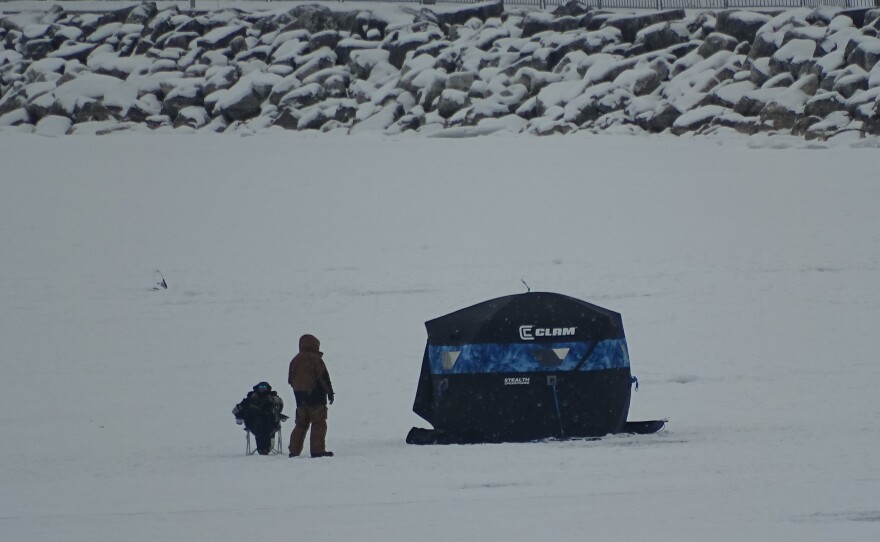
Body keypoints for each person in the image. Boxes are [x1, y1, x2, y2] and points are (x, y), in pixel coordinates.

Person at [288, 334, 335, 458]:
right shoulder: (315, 359)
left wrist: (300, 392)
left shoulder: (295, 360)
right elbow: (323, 378)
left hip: (300, 399)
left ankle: (294, 450)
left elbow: (290, 380)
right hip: (316, 398)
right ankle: (317, 451)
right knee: (318, 424)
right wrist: (329, 392)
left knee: (300, 424)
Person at [233, 381, 286, 455]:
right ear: (257, 388)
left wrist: (271, 401)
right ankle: (264, 449)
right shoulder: (250, 399)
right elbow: (235, 410)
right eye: (261, 387)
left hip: (271, 423)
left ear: (268, 388)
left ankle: (263, 448)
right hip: (253, 424)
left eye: (264, 387)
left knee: (263, 425)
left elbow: (280, 405)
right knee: (260, 424)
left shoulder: (273, 397)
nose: (262, 389)